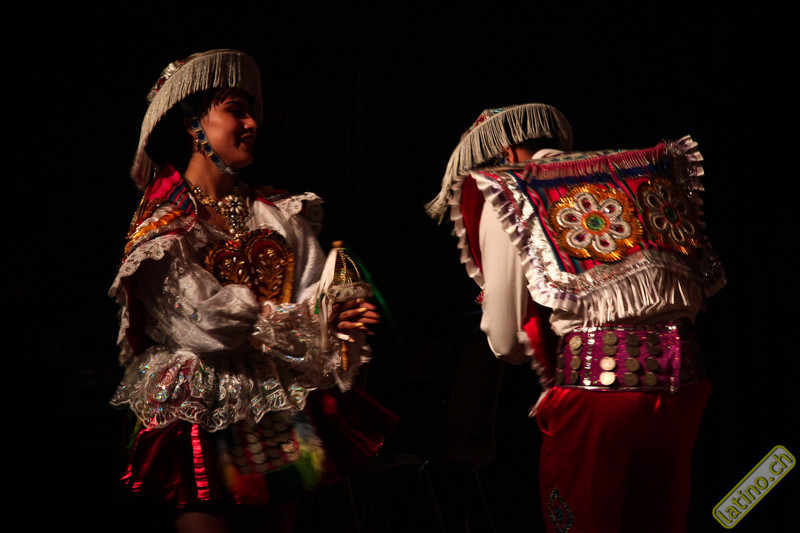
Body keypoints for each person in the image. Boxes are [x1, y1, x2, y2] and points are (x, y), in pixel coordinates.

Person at [110, 49, 389, 533]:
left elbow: (314, 292)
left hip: (275, 405)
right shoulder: (165, 227)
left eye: (251, 111)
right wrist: (308, 318)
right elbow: (208, 325)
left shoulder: (279, 214)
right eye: (235, 110)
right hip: (202, 405)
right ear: (193, 123)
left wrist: (337, 318)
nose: (252, 123)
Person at [426, 103, 725, 532]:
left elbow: (506, 340)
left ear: (506, 152)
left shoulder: (511, 188)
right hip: (685, 385)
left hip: (597, 392)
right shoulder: (633, 173)